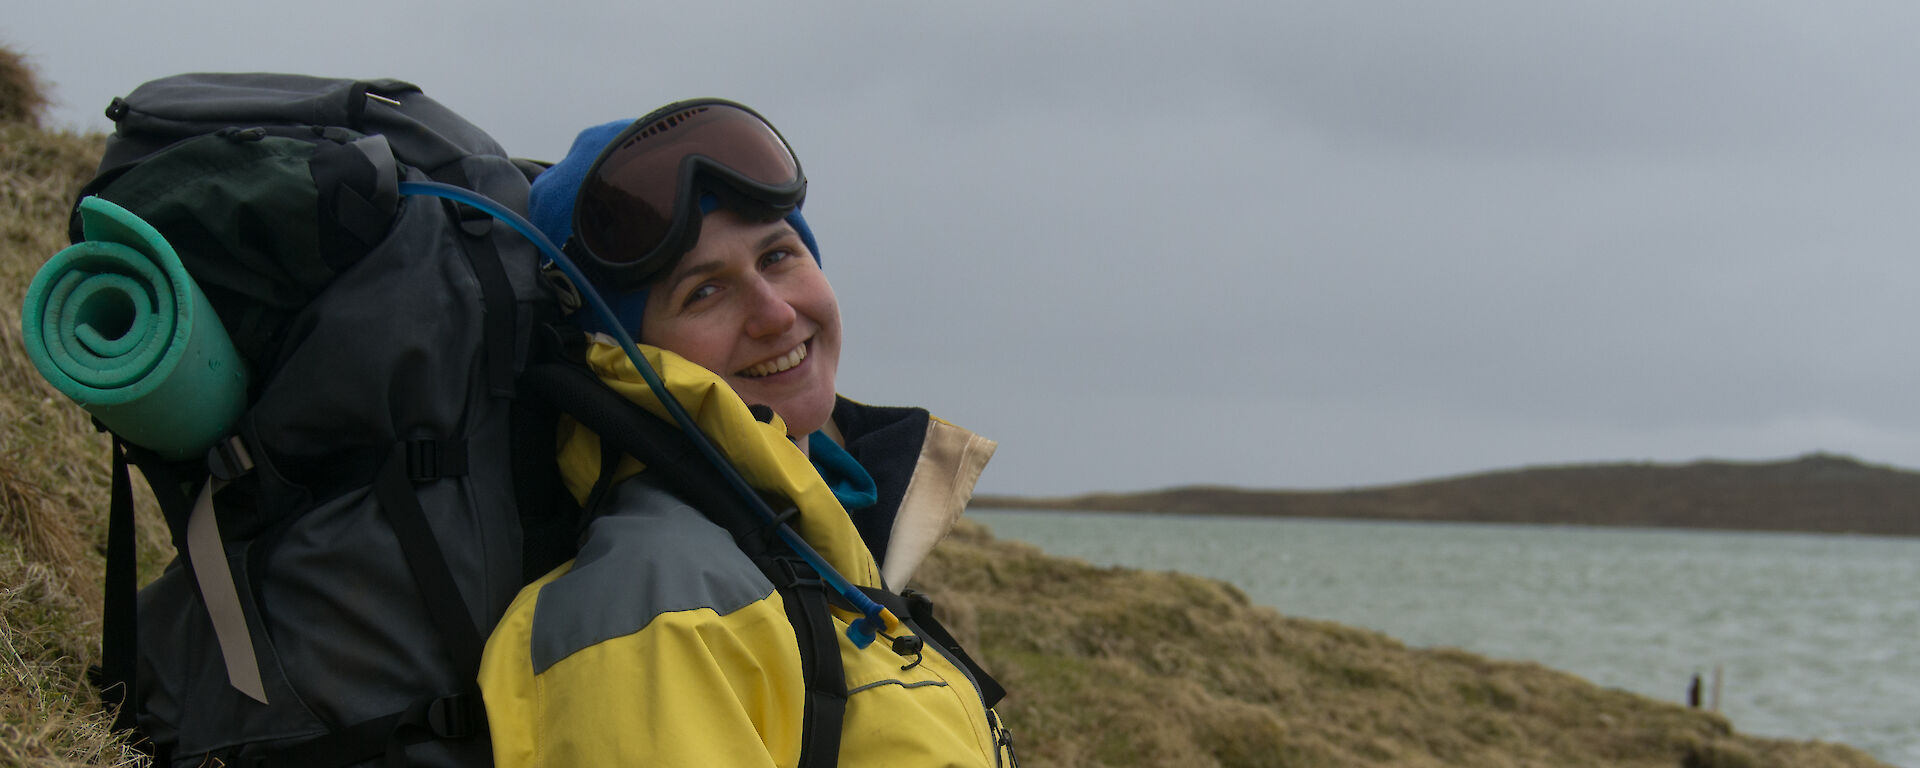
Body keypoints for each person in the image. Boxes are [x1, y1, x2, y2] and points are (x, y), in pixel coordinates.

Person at [477, 99, 1015, 767]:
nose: (775, 311)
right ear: (623, 359)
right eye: (703, 292)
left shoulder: (812, 543)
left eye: (780, 255)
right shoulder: (657, 611)